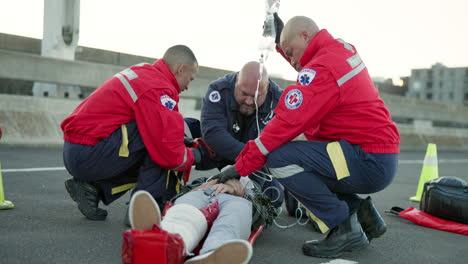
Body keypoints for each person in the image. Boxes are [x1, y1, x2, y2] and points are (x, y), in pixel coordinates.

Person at [219, 16, 400, 258]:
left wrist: (240, 166)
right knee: (310, 161)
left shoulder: (321, 70)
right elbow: (308, 64)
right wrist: (281, 40)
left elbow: (285, 123)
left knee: (280, 158)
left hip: (365, 159)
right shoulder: (340, 49)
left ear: (305, 36)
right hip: (374, 154)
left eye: (291, 52)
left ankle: (342, 226)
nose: (292, 60)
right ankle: (364, 216)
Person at [61, 45, 202, 221]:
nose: (188, 86)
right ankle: (141, 213)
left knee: (154, 138)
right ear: (180, 69)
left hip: (80, 148)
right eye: (190, 79)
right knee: (159, 144)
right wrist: (195, 155)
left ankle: (92, 188)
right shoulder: (157, 88)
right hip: (88, 152)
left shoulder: (145, 73)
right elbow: (168, 152)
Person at [200, 61, 284, 208]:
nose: (250, 101)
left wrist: (249, 163)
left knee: (274, 198)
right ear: (236, 81)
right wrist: (248, 156)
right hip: (221, 153)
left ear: (267, 88)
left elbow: (283, 143)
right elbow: (213, 133)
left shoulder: (279, 101)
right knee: (187, 131)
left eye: (257, 96)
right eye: (244, 94)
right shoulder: (219, 90)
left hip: (255, 163)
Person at [124, 176, 259, 264]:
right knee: (184, 212)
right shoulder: (211, 176)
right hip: (204, 191)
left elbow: (265, 211)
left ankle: (213, 252)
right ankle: (164, 239)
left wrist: (241, 192)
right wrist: (211, 183)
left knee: (231, 219)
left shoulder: (261, 180)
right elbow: (185, 191)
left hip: (239, 199)